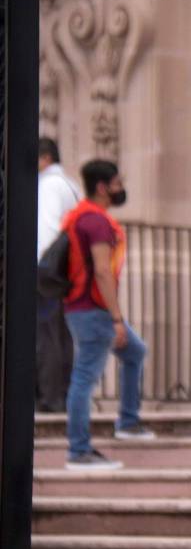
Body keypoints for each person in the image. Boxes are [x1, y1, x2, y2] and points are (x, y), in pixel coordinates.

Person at [61, 160, 154, 471]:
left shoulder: (80, 216)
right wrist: (116, 318)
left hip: (85, 307)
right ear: (102, 187)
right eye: (117, 183)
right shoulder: (96, 221)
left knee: (135, 352)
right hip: (93, 310)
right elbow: (102, 271)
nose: (121, 188)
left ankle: (128, 422)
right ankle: (79, 451)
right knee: (85, 378)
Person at [37, 137, 82, 413]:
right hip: (62, 270)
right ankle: (60, 396)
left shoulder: (48, 185)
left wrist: (39, 268)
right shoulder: (70, 185)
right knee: (59, 335)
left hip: (47, 269)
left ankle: (49, 397)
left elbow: (47, 228)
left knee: (46, 335)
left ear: (45, 158)